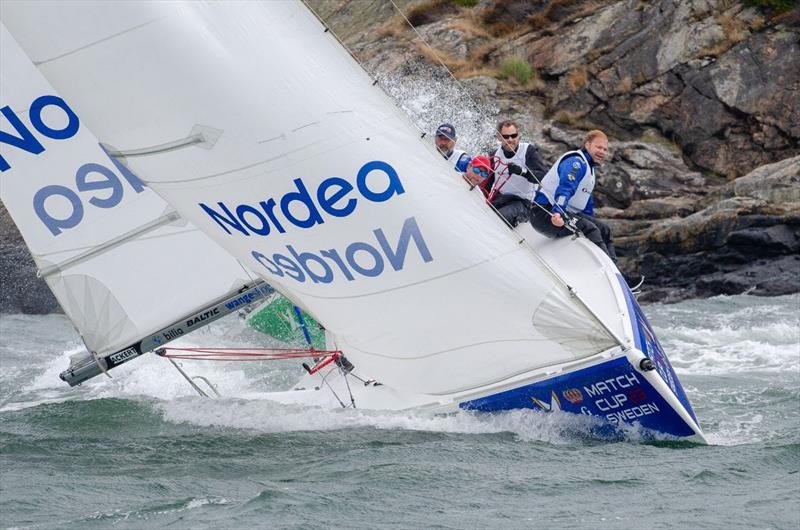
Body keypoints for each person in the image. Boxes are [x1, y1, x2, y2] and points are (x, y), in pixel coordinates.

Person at [530, 129, 617, 260]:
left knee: (604, 229)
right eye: (598, 147)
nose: (602, 152)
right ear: (587, 145)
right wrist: (558, 212)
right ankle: (604, 268)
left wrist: (590, 219)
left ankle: (616, 272)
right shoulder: (576, 162)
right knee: (591, 230)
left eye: (605, 149)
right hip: (545, 213)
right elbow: (566, 188)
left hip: (564, 212)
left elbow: (586, 204)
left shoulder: (590, 168)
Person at [490, 120, 548, 226]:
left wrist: (522, 172)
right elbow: (488, 183)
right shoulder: (494, 155)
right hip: (501, 198)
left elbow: (543, 177)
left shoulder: (528, 151)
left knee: (500, 217)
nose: (510, 140)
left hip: (524, 202)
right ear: (498, 137)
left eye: (513, 135)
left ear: (519, 135)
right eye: (506, 137)